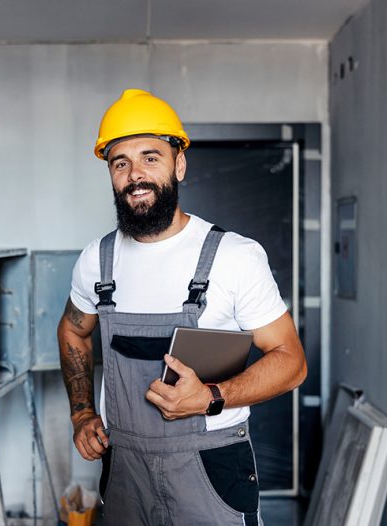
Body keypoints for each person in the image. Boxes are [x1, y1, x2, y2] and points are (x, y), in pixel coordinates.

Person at [57, 88, 307, 526]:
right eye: (120, 162)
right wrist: (81, 412)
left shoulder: (233, 256)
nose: (136, 174)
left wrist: (212, 397)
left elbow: (292, 361)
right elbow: (73, 330)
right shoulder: (96, 261)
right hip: (124, 467)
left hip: (210, 466)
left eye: (150, 157)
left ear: (179, 164)